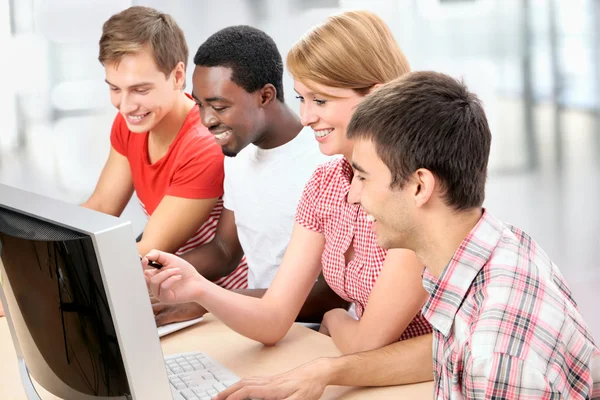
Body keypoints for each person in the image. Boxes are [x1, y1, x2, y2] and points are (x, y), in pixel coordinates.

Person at [214, 71, 600, 400]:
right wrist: (325, 372)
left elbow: (484, 357)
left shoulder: (499, 355)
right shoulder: (491, 248)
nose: (352, 195)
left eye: (363, 177)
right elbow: (441, 350)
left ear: (419, 187)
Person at [144, 10, 432, 354]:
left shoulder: (415, 190)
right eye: (302, 98)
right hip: (354, 362)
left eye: (321, 100)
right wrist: (197, 289)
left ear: (376, 96)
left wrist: (334, 320)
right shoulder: (325, 183)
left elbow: (366, 343)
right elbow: (274, 318)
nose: (307, 117)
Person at [153, 25, 348, 326]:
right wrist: (153, 276)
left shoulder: (326, 161)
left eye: (219, 106)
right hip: (253, 322)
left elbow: (333, 293)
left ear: (265, 96)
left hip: (306, 328)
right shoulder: (237, 151)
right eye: (200, 104)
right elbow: (225, 249)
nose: (206, 120)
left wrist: (209, 301)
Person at [82, 6, 247, 290]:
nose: (126, 105)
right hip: (160, 284)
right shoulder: (132, 122)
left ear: (178, 75)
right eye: (115, 88)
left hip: (218, 296)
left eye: (140, 90)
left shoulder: (204, 144)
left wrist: (50, 276)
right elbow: (101, 207)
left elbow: (150, 249)